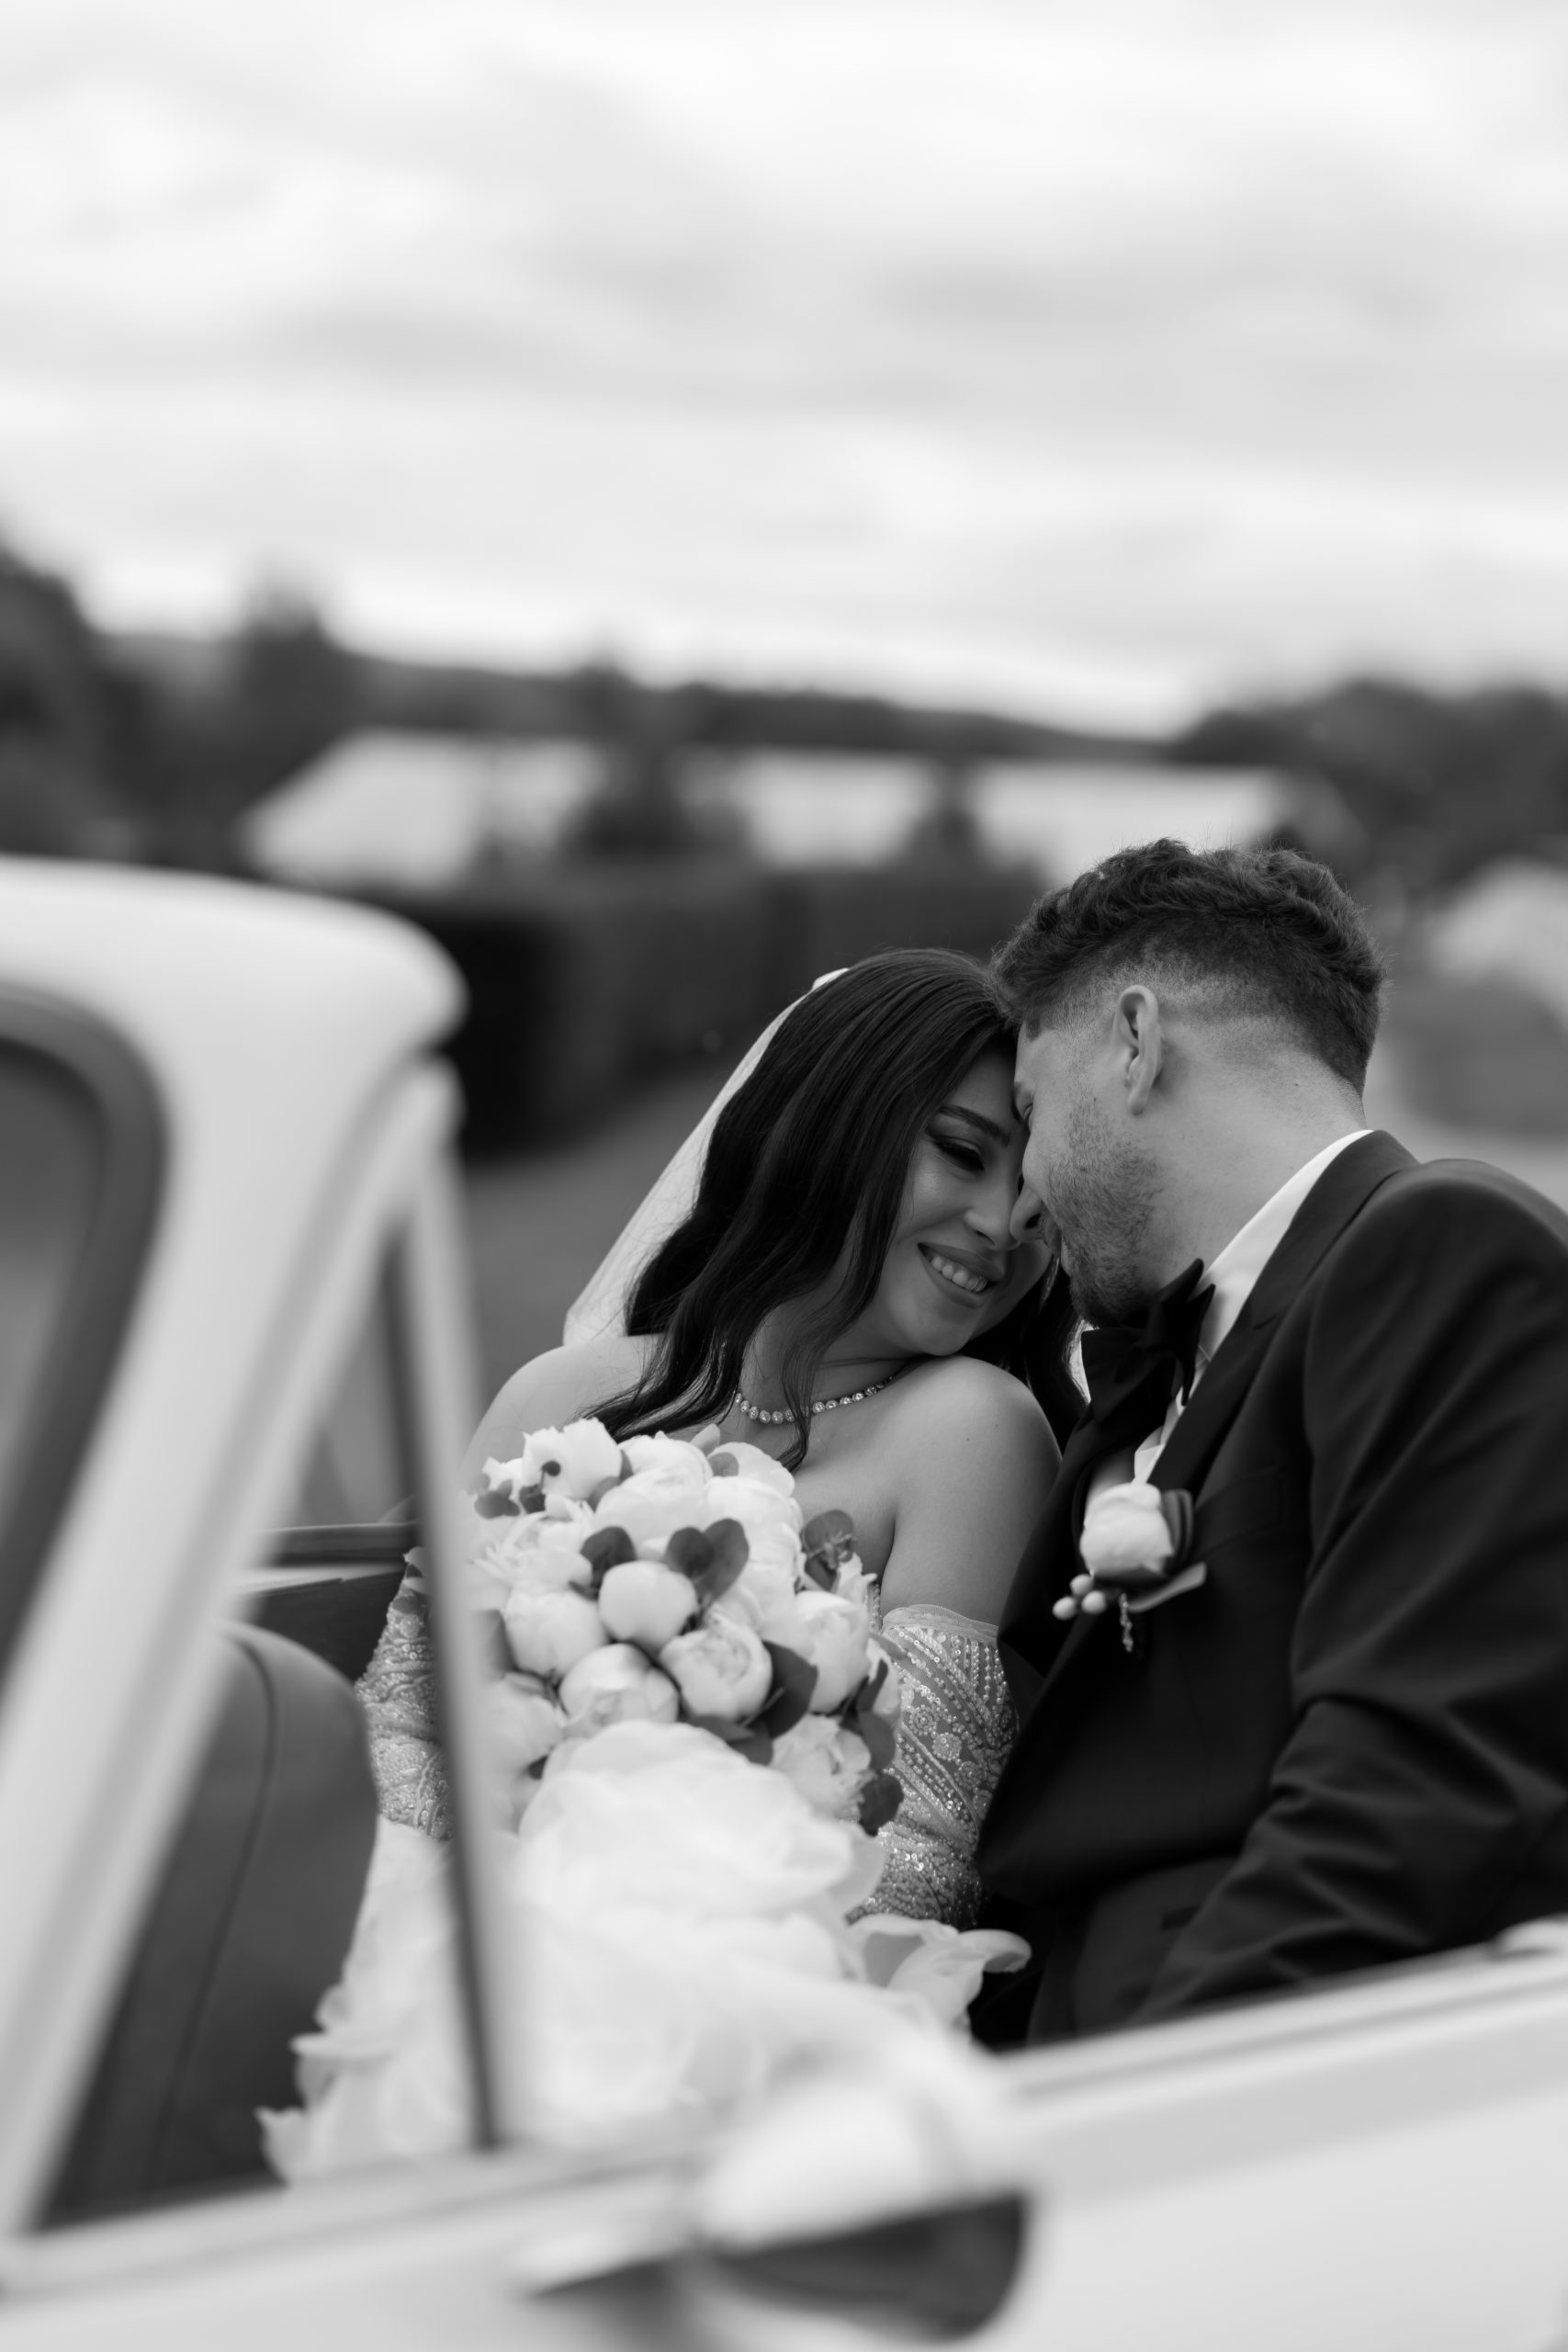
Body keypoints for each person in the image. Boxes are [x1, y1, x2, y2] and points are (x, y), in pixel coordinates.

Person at [976, 837, 1568, 2042]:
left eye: (1030, 1112)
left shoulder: (1443, 1250)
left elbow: (1406, 1800)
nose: (1024, 1190)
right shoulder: (1153, 1377)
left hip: (1232, 2087)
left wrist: (1123, 2115)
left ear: (1135, 1041)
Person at [367, 948, 1067, 1928]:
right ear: (832, 1122)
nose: (1001, 1225)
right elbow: (394, 1730)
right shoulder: (561, 1394)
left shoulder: (974, 1432)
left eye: (1037, 1198)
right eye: (960, 1151)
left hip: (758, 1973)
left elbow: (917, 1863)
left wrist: (628, 1929)